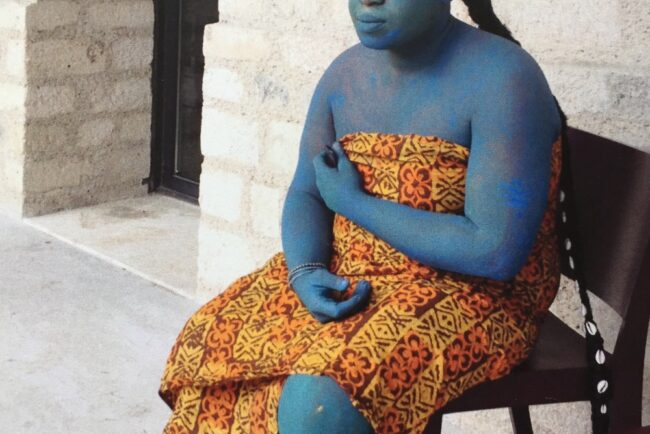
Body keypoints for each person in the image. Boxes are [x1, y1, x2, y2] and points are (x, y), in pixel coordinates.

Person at [159, 1, 609, 433]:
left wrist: (353, 203)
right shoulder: (344, 75)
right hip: (353, 276)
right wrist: (306, 271)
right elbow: (307, 192)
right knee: (209, 340)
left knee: (321, 403)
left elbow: (493, 250)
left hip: (473, 296)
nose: (367, 1)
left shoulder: (504, 79)